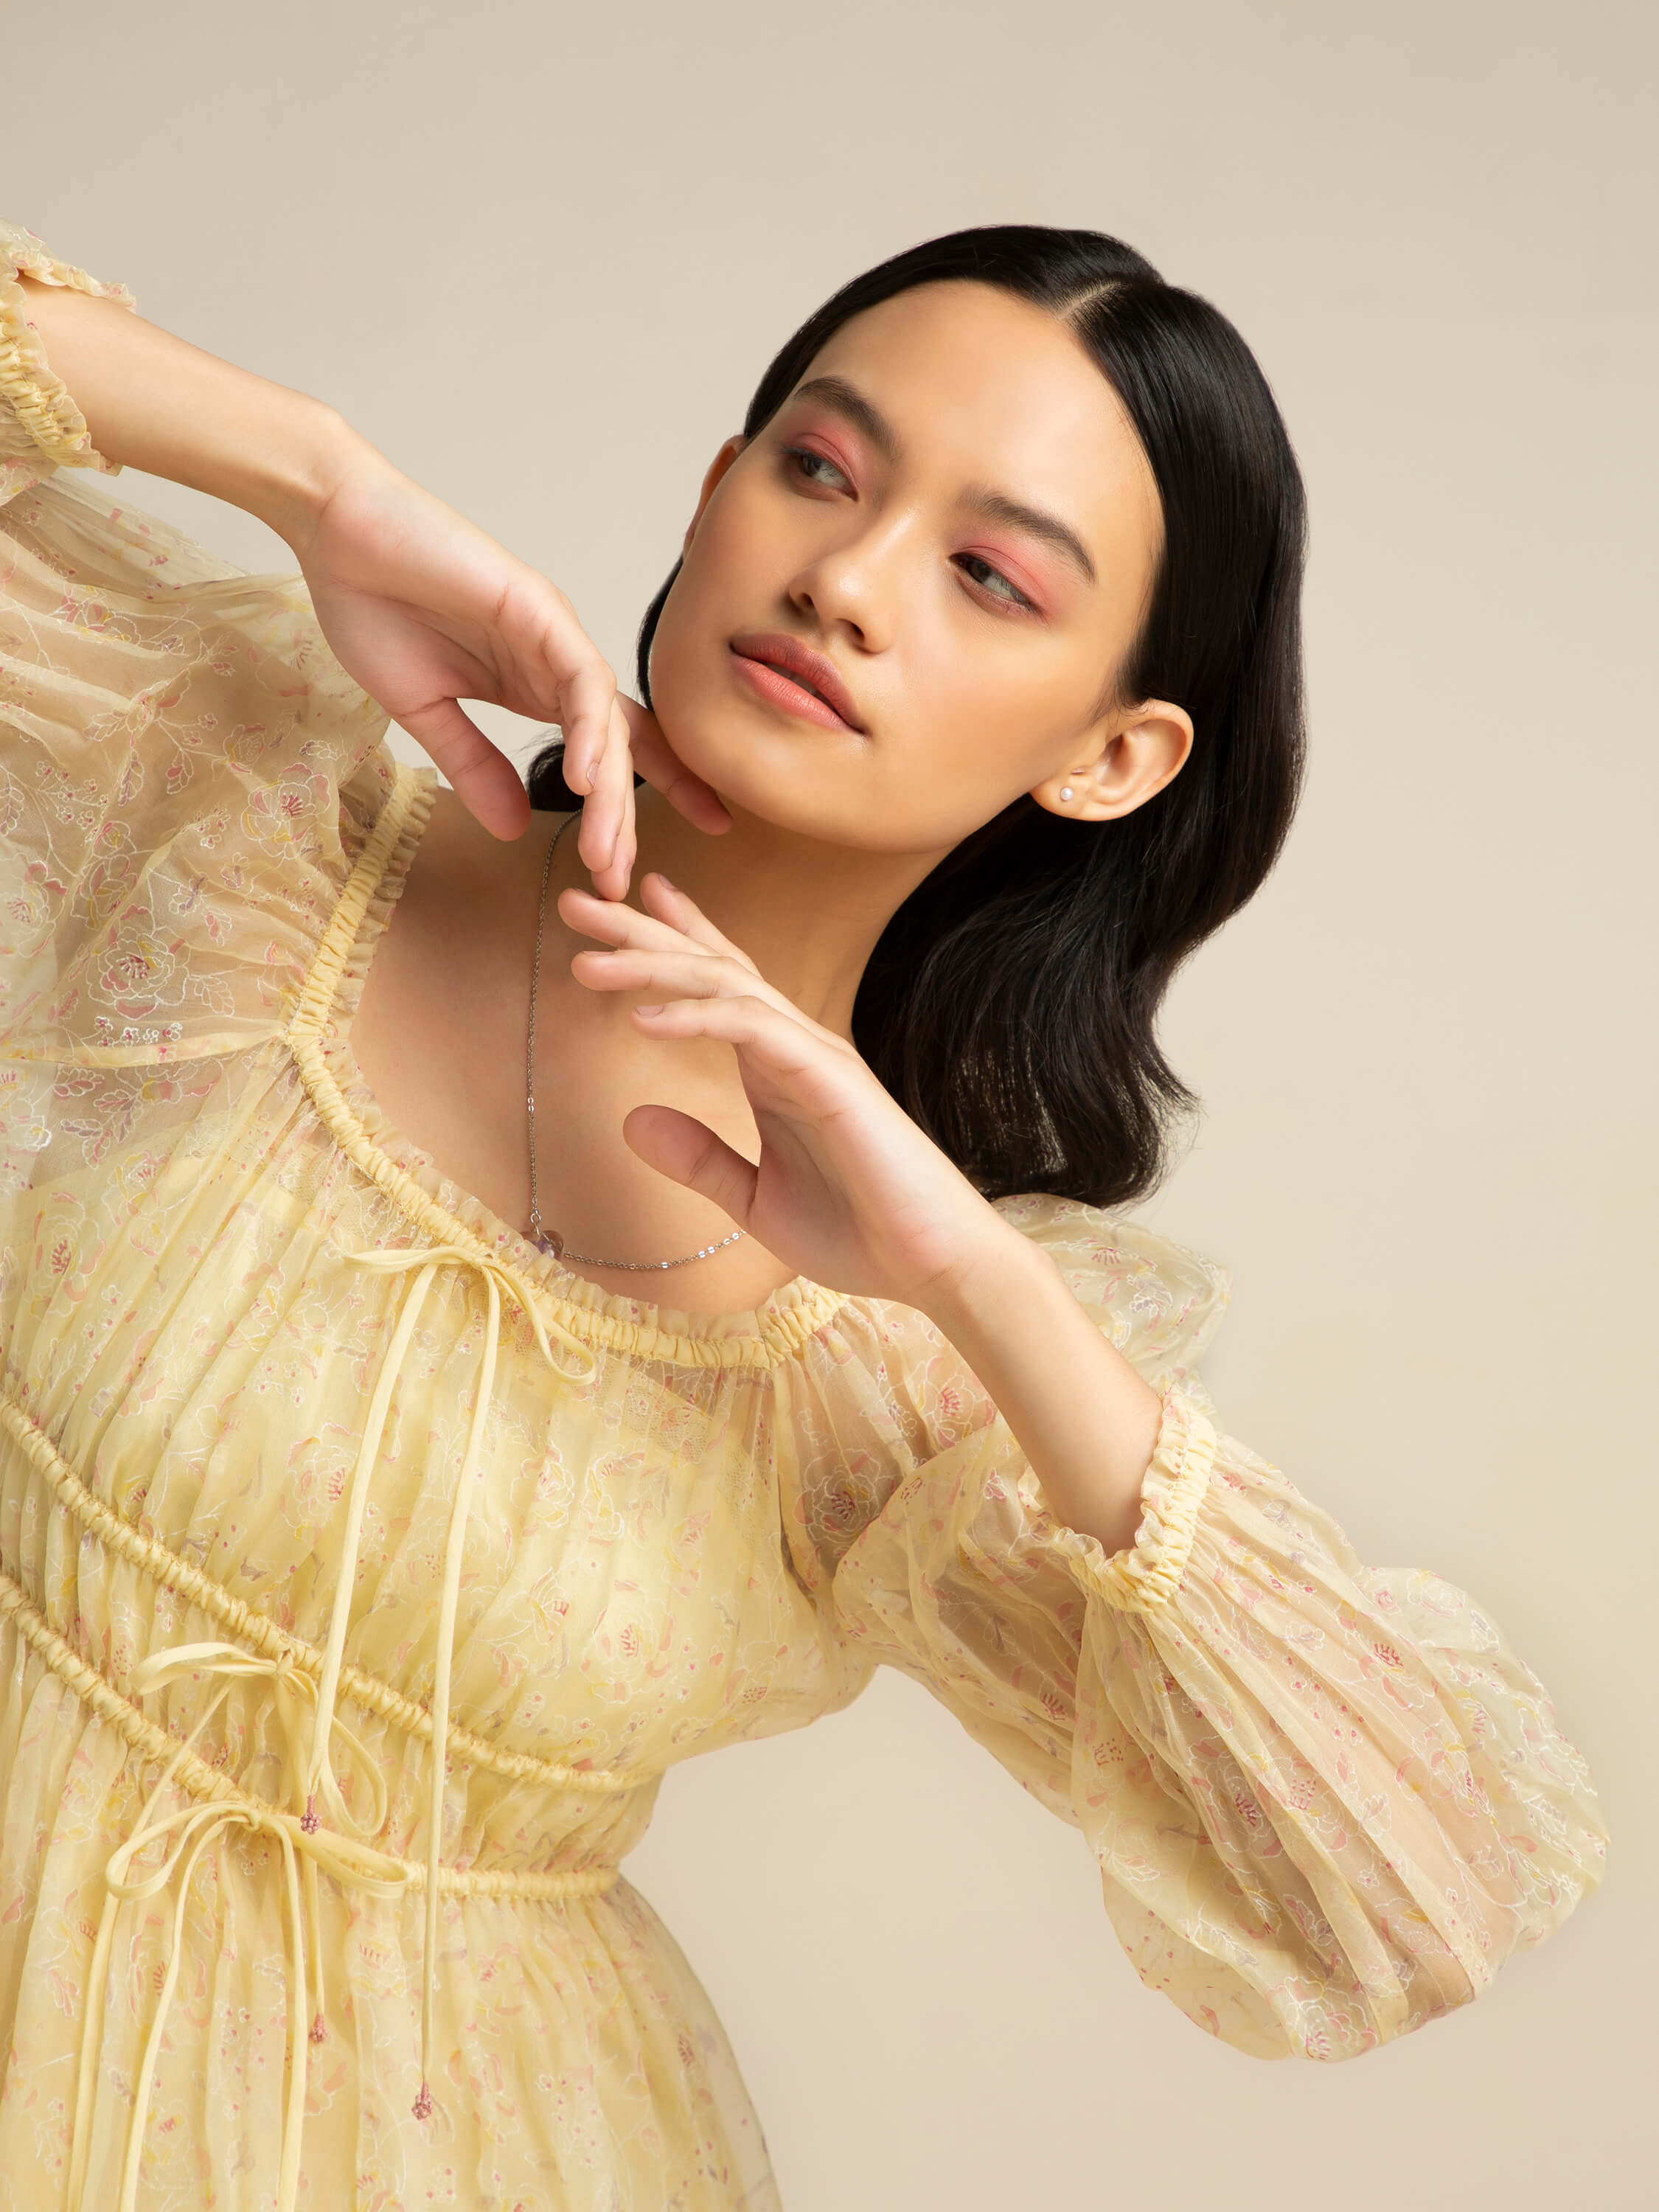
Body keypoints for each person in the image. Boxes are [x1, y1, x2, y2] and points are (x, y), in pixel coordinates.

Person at [0, 211, 1607, 2211]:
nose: (844, 580)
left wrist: (974, 1286)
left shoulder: (890, 1374)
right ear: (716, 488)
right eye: (818, 469)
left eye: (986, 576)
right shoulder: (241, 820)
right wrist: (321, 474)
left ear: (1115, 757)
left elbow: (1402, 1908)